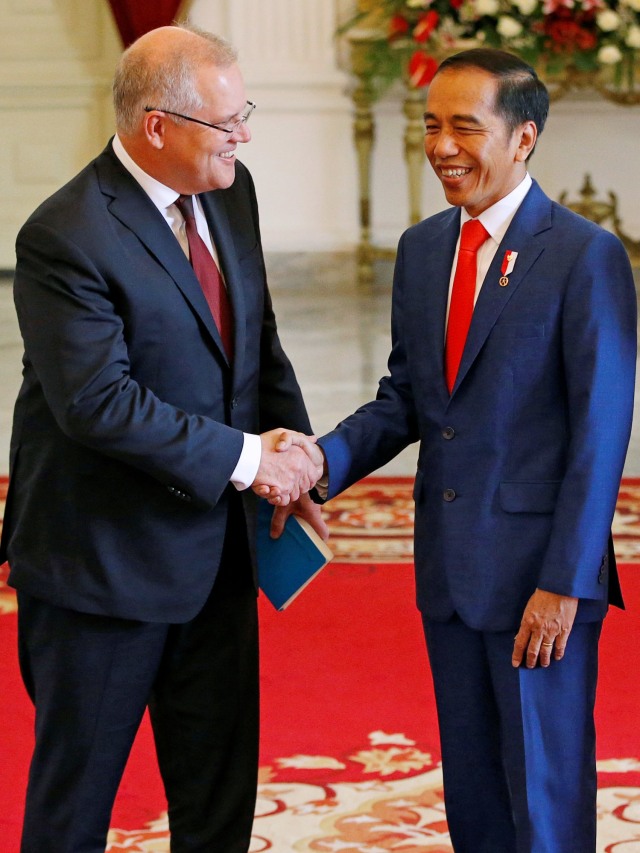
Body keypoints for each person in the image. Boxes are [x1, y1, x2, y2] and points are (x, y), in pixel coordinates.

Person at [267, 48, 637, 852]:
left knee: (544, 799)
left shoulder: (585, 256)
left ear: (524, 138)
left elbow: (599, 439)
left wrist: (565, 584)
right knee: (474, 797)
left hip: (541, 581)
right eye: (431, 125)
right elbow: (408, 396)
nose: (442, 146)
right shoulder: (424, 248)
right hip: (451, 570)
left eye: (465, 127)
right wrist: (318, 462)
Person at [1, 23, 325, 853]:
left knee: (218, 797)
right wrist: (253, 462)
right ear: (157, 126)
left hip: (215, 556)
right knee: (75, 807)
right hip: (100, 566)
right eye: (228, 122)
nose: (244, 134)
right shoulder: (64, 233)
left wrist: (301, 468)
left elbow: (256, 342)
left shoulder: (230, 187)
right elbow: (98, 403)